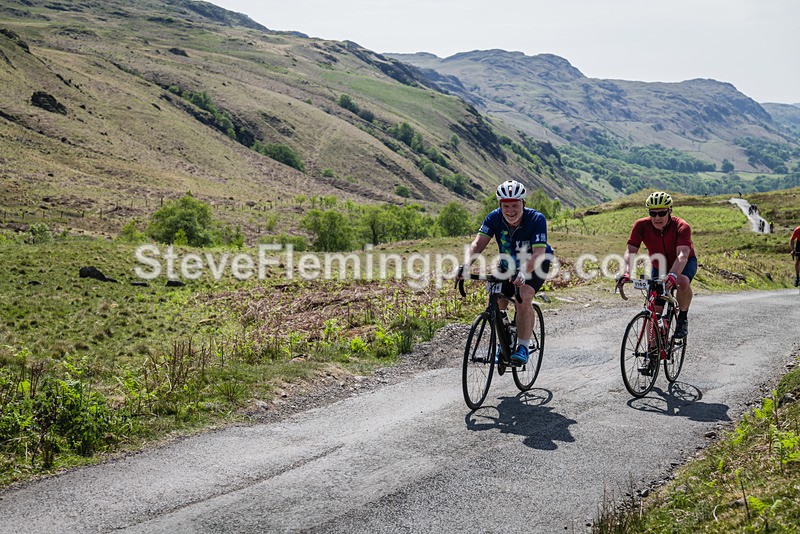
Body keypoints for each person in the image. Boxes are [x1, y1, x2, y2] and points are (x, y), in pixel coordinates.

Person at [459, 179, 552, 365]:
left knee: (523, 296)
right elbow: (478, 244)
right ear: (500, 205)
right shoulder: (493, 218)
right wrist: (465, 265)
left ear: (523, 204)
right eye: (506, 206)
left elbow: (539, 254)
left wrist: (522, 272)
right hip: (507, 265)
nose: (510, 210)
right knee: (497, 298)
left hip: (535, 263)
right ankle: (504, 340)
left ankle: (523, 346)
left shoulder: (536, 219)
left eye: (515, 205)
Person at [616, 191, 697, 339]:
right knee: (654, 312)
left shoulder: (682, 226)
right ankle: (652, 357)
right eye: (653, 213)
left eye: (661, 213)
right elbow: (631, 251)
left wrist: (672, 275)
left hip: (683, 264)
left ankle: (682, 318)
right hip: (659, 267)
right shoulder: (641, 226)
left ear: (670, 211)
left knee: (682, 281)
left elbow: (682, 255)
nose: (657, 217)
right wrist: (627, 272)